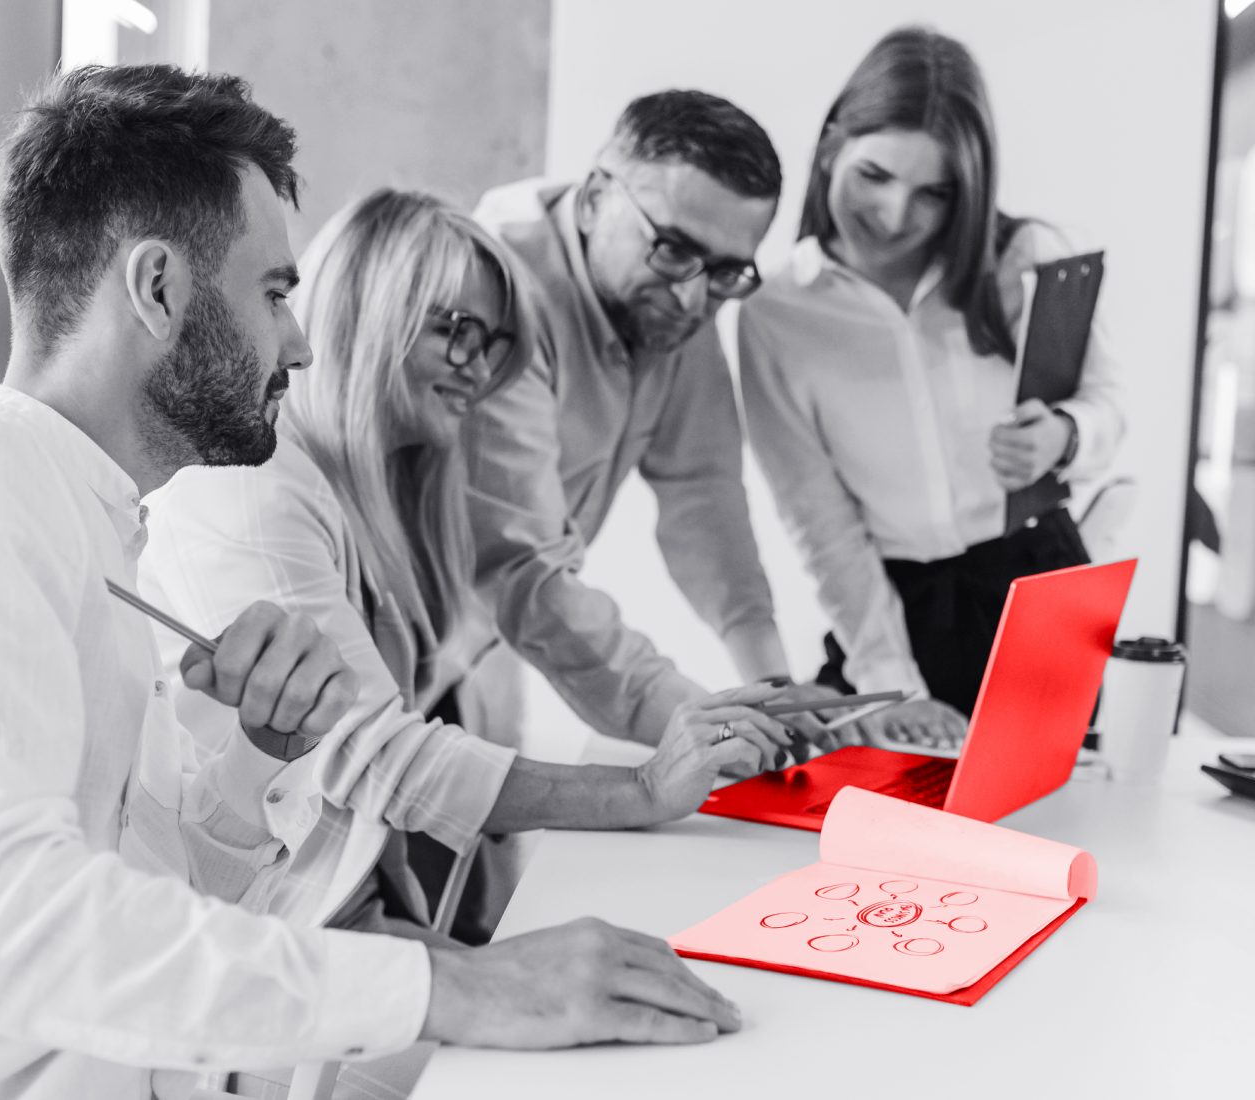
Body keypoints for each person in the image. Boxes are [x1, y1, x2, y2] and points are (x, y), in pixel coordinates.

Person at [0, 65, 743, 1100]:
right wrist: (454, 988)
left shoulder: (93, 523)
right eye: (275, 294)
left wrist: (252, 760)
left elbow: (168, 893)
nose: (302, 341)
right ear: (157, 288)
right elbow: (0, 915)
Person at [139, 189, 800, 963]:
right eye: (456, 332)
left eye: (493, 345)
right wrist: (645, 789)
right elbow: (367, 752)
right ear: (366, 310)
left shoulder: (382, 488)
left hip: (306, 911)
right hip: (228, 933)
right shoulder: (255, 486)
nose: (480, 371)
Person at [738, 26, 1124, 747]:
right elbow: (820, 521)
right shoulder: (776, 314)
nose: (894, 216)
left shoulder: (1027, 257)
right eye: (875, 176)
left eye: (934, 193)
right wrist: (894, 681)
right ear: (831, 146)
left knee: (1058, 805)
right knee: (865, 803)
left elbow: (1108, 407)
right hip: (893, 608)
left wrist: (1064, 435)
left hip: (1039, 584)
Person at [464, 89, 839, 755]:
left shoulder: (676, 301)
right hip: (339, 634)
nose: (694, 298)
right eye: (671, 248)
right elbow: (524, 566)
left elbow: (704, 495)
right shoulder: (495, 290)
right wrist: (699, 723)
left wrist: (771, 686)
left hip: (463, 649)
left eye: (726, 271)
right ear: (594, 199)